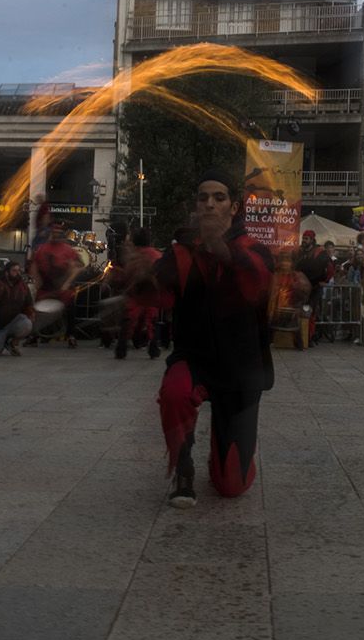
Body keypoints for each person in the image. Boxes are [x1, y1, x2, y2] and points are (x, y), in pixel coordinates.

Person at [152, 169, 274, 508]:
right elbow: (159, 294)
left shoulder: (256, 250)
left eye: (218, 198)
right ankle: (184, 466)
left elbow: (257, 283)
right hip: (195, 358)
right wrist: (133, 284)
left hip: (241, 369)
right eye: (203, 198)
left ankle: (222, 456)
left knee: (232, 487)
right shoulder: (180, 252)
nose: (209, 204)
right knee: (175, 392)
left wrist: (217, 245)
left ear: (233, 208)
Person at [30, 225, 83, 348]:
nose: (57, 235)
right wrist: (36, 280)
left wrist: (67, 282)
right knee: (36, 308)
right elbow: (34, 265)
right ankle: (34, 336)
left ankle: (71, 335)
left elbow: (78, 266)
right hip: (46, 287)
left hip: (62, 287)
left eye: (59, 233)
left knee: (70, 305)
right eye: (55, 232)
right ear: (51, 234)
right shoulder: (42, 249)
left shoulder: (68, 250)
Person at [115, 227, 163, 359]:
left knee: (128, 322)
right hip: (151, 295)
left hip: (135, 294)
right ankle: (153, 349)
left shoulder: (132, 256)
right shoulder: (157, 255)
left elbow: (125, 276)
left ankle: (121, 349)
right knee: (151, 322)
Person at [0, 260, 34, 355]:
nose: (17, 273)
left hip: (14, 322)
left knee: (27, 323)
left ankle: (11, 342)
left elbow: (28, 305)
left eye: (18, 271)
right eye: (14, 270)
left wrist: (31, 317)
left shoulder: (23, 287)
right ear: (7, 272)